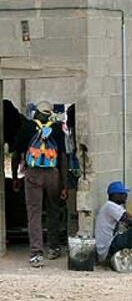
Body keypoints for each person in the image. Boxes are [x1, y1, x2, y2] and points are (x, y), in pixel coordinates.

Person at [12, 101, 68, 267]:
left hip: (33, 174)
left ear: (36, 113)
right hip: (53, 175)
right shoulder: (57, 129)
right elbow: (63, 157)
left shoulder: (27, 128)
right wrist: (64, 183)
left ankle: (36, 253)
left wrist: (15, 177)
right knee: (53, 210)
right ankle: (54, 248)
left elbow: (16, 154)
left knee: (34, 214)